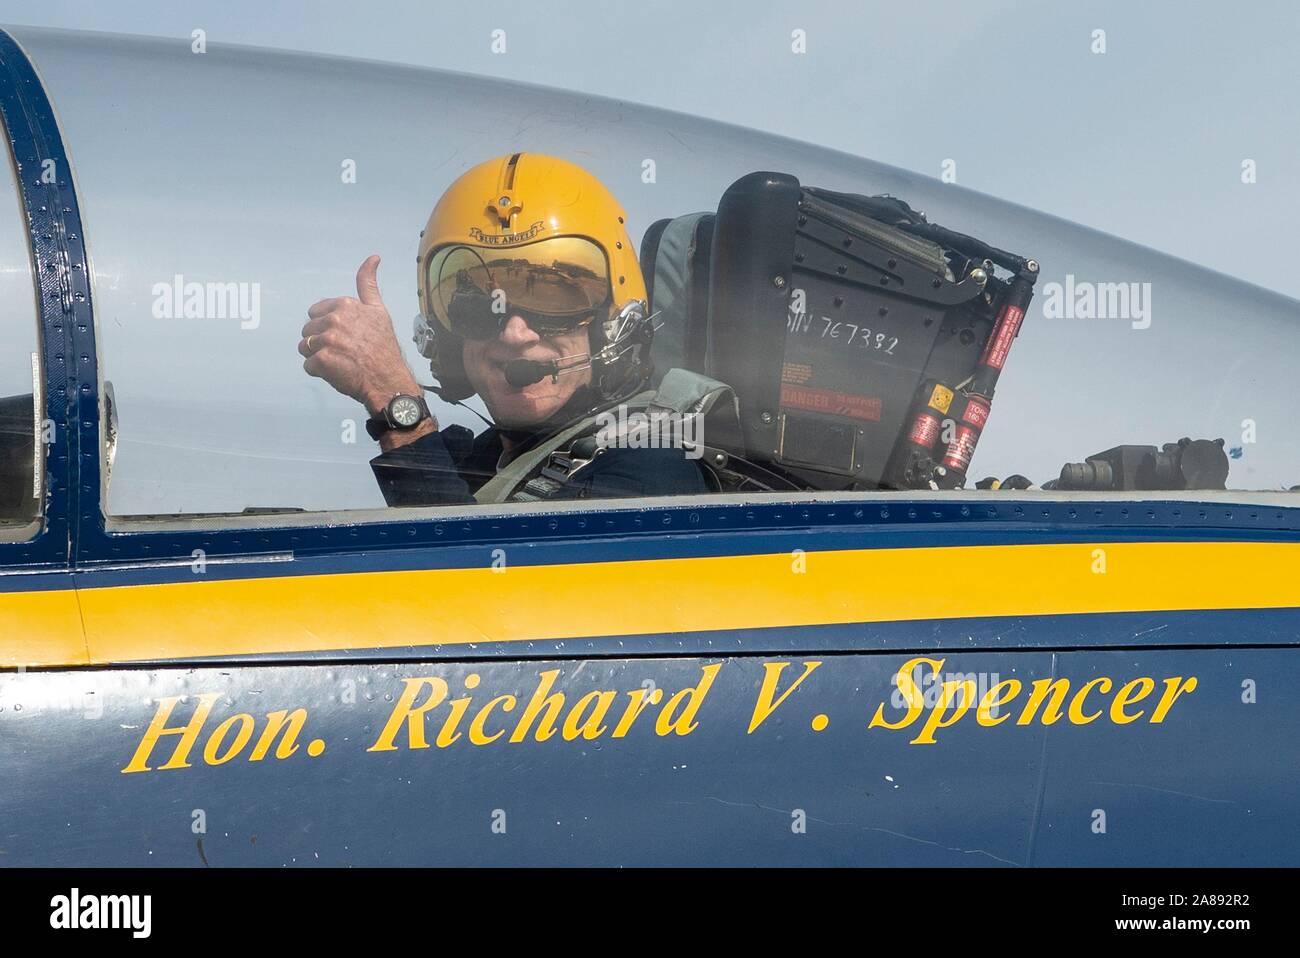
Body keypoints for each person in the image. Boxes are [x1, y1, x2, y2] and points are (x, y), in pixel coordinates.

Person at [299, 153, 712, 505]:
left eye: (554, 300)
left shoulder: (651, 471)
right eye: (477, 307)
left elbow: (474, 590)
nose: (515, 334)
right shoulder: (494, 460)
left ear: (613, 322)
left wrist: (397, 408)